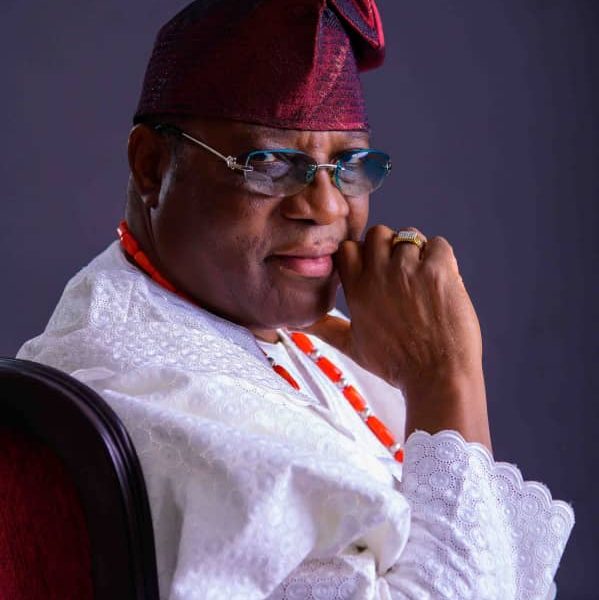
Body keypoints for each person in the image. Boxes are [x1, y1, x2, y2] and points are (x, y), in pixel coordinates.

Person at [18, 1, 574, 598]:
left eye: (350, 165)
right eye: (271, 163)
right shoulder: (156, 389)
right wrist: (445, 376)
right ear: (152, 166)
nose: (328, 207)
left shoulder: (274, 325)